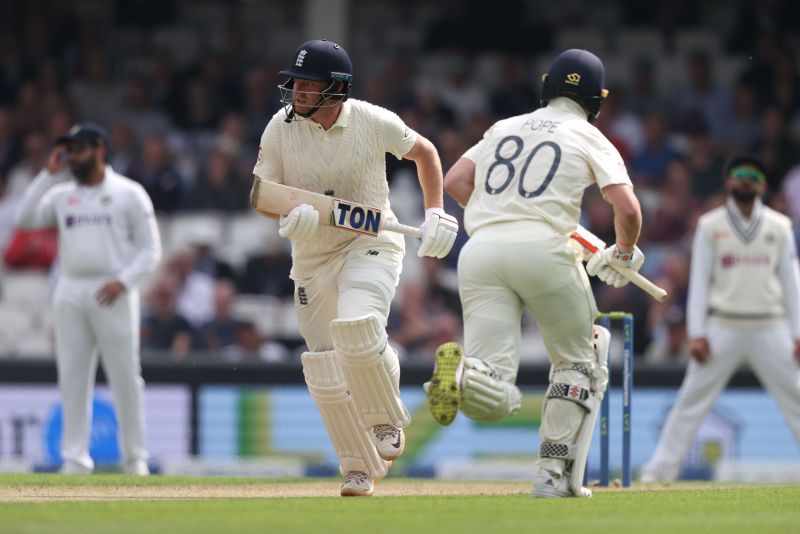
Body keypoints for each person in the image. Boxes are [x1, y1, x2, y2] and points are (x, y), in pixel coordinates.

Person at [424, 49, 646, 498]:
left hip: (481, 250)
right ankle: (550, 478)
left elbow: (454, 182)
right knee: (579, 363)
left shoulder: (503, 127)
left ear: (547, 86)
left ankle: (464, 375)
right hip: (545, 250)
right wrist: (623, 253)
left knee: (496, 386)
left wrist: (498, 213)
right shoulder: (589, 134)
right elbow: (627, 209)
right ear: (596, 100)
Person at [252, 39, 458, 497]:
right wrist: (288, 216)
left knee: (358, 326)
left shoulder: (371, 120)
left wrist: (435, 211)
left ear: (336, 89)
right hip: (311, 257)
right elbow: (262, 194)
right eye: (297, 83)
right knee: (325, 370)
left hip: (372, 242)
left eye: (309, 85)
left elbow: (425, 153)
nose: (299, 92)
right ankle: (358, 469)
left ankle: (386, 419)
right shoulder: (280, 127)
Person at [640, 155, 800, 482]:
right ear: (728, 182)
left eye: (752, 176)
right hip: (722, 325)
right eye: (739, 175)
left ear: (762, 185)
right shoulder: (710, 225)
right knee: (691, 399)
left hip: (770, 324)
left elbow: (791, 283)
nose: (745, 180)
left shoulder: (779, 227)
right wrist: (696, 333)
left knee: (797, 396)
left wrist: (798, 333)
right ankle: (658, 472)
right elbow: (699, 282)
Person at [14, 122, 161, 475]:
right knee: (73, 375)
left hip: (113, 291)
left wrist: (123, 282)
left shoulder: (129, 193)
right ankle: (75, 459)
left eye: (79, 149)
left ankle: (135, 458)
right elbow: (25, 218)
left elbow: (150, 250)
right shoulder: (63, 194)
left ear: (99, 150)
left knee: (125, 376)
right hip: (71, 288)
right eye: (69, 149)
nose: (72, 156)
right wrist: (47, 176)